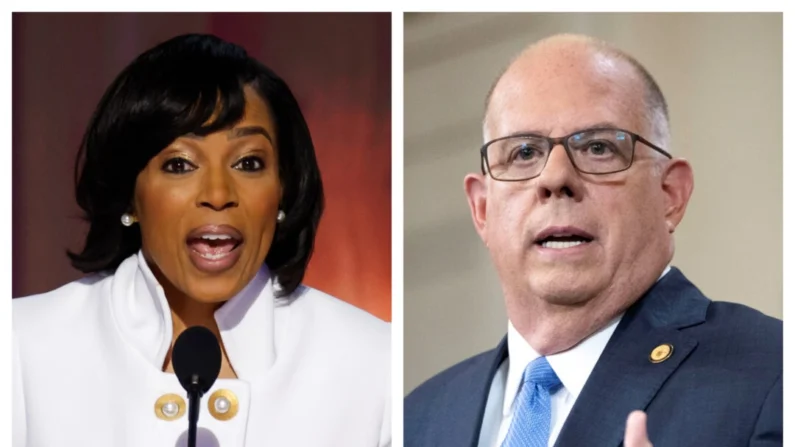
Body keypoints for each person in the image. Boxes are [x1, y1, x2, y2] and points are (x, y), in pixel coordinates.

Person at [13, 33, 390, 447]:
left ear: (282, 189)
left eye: (248, 163)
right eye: (179, 164)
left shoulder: (374, 363)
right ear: (130, 196)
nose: (217, 193)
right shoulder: (21, 345)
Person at [404, 34, 781, 447]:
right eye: (524, 153)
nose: (554, 178)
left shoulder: (774, 374)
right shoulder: (416, 420)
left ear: (670, 195)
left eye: (599, 148)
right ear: (482, 209)